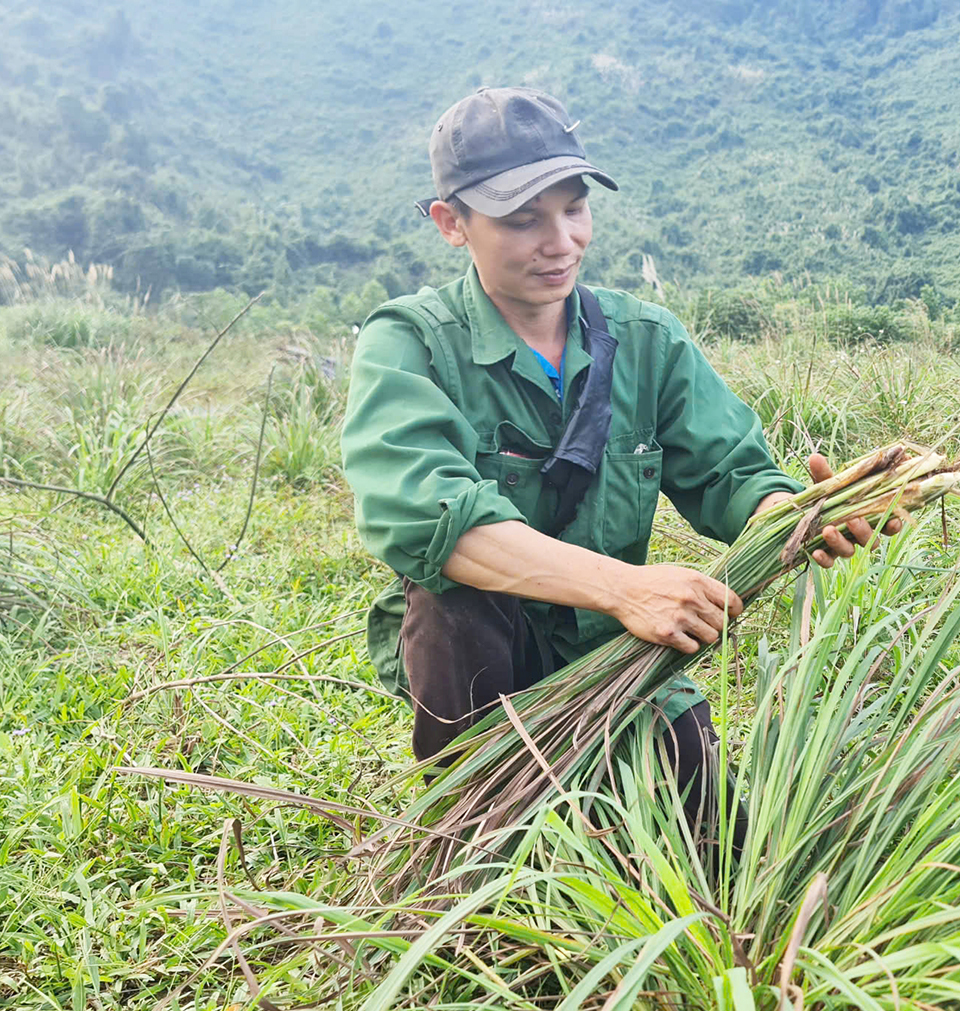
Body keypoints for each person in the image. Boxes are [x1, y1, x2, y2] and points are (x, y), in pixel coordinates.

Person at [340, 86, 896, 813]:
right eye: (522, 219)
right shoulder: (410, 342)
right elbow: (424, 515)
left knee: (710, 844)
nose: (561, 241)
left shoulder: (646, 339)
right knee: (454, 601)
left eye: (573, 208)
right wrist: (625, 587)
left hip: (619, 654)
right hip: (487, 662)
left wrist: (793, 513)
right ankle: (473, 832)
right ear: (452, 223)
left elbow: (731, 469)